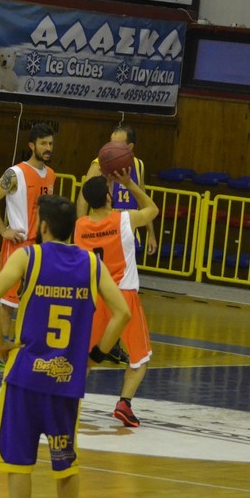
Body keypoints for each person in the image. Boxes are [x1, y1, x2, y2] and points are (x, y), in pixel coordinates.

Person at [0, 195, 130, 498]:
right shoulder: (92, 264)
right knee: (65, 465)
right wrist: (94, 357)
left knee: (19, 463)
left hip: (24, 379)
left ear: (44, 226)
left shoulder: (28, 257)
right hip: (66, 381)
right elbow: (122, 313)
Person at [74, 170, 159, 427]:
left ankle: (68, 400)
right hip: (123, 296)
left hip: (94, 296)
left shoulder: (80, 226)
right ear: (109, 197)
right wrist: (130, 183)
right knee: (140, 358)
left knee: (86, 357)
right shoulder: (125, 219)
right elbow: (153, 209)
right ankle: (124, 403)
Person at [0, 124, 56, 367]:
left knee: (36, 299)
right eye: (43, 143)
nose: (48, 148)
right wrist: (3, 230)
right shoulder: (15, 173)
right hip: (18, 246)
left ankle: (26, 345)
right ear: (32, 146)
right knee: (9, 302)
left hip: (41, 247)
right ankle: (1, 351)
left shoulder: (51, 174)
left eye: (50, 143)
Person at [76, 125, 157, 257]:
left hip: (127, 229)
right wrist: (81, 230)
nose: (111, 148)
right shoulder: (99, 164)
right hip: (103, 230)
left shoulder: (138, 165)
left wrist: (151, 234)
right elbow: (83, 198)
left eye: (117, 144)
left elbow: (142, 200)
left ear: (130, 147)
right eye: (110, 143)